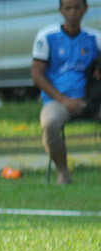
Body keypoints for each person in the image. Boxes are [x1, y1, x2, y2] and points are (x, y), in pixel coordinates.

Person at [32, 0, 101, 185]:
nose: (72, 12)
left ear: (85, 9)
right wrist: (62, 99)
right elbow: (36, 74)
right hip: (58, 101)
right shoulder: (47, 36)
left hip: (90, 100)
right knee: (50, 124)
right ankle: (63, 172)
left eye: (77, 7)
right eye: (68, 8)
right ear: (60, 10)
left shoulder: (94, 38)